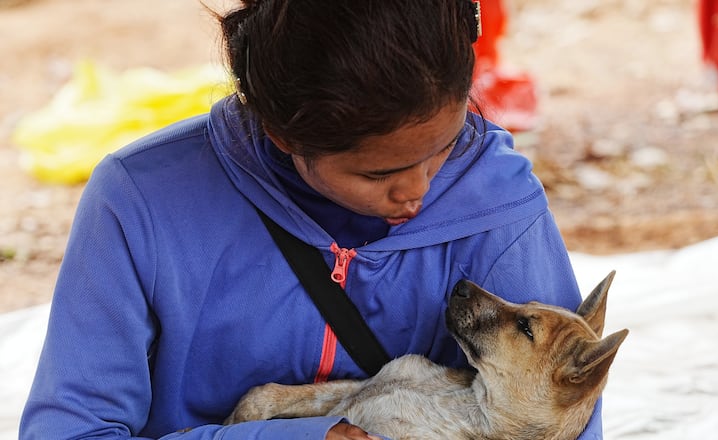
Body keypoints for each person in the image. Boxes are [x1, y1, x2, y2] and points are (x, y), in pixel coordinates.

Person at [20, 1, 603, 439]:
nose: (419, 192)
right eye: (378, 176)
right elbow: (72, 431)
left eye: (445, 148)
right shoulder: (142, 199)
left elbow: (558, 418)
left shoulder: (496, 203)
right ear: (284, 134)